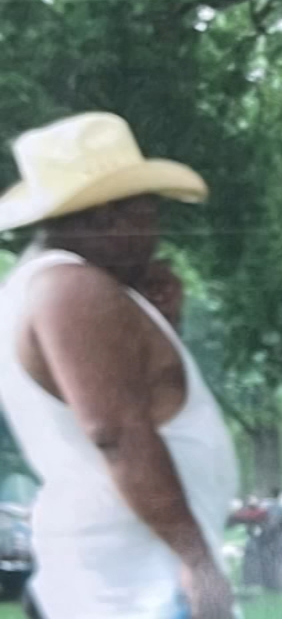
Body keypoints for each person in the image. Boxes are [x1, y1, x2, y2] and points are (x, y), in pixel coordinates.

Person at [0, 112, 241, 618]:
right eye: (147, 211)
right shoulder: (72, 289)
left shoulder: (51, 287)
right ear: (109, 215)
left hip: (128, 582)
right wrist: (196, 562)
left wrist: (162, 326)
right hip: (136, 590)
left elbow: (138, 404)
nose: (156, 228)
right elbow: (118, 433)